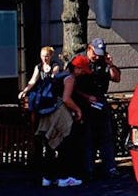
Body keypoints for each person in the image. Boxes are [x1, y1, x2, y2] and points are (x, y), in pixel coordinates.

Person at [33, 56, 85, 187]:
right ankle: (64, 177)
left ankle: (48, 177)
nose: (83, 73)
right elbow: (66, 99)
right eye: (82, 70)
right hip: (59, 112)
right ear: (77, 69)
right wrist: (78, 110)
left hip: (48, 112)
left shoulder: (60, 75)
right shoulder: (70, 78)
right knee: (65, 144)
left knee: (50, 145)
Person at [73, 38, 121, 179]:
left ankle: (109, 167)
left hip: (100, 101)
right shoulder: (79, 61)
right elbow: (71, 85)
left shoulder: (103, 62)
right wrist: (86, 97)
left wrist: (110, 65)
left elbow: (116, 78)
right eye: (95, 53)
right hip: (84, 102)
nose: (97, 56)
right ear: (89, 49)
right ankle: (89, 169)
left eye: (100, 53)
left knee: (106, 136)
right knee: (88, 137)